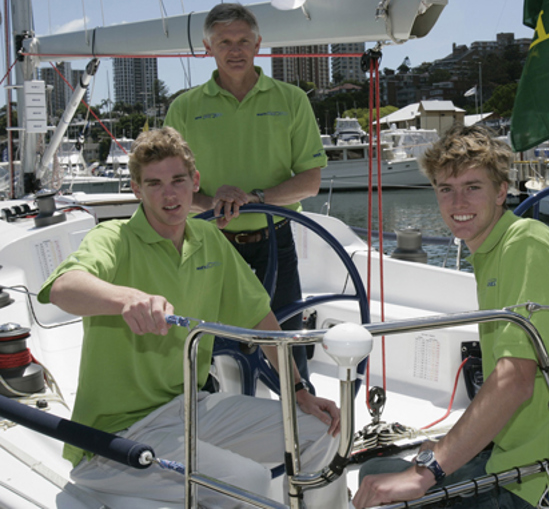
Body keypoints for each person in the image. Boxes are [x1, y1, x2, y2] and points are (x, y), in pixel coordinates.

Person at [38, 128, 346, 508]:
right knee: (247, 480)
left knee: (321, 430)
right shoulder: (112, 238)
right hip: (115, 437)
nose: (169, 194)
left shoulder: (210, 239)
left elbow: (259, 319)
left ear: (195, 182)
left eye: (178, 180)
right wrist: (126, 299)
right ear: (136, 189)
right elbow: (64, 287)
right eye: (154, 183)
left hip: (191, 408)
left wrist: (299, 391)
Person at [353, 125, 549, 509]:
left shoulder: (525, 244)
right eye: (446, 188)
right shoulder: (492, 250)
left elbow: (514, 382)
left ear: (500, 192)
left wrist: (426, 470)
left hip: (548, 477)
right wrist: (443, 450)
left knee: (383, 490)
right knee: (373, 475)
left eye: (472, 186)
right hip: (517, 453)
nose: (457, 200)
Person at [164, 2, 327, 389]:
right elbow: (171, 184)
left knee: (288, 340)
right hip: (208, 242)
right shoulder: (185, 108)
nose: (234, 50)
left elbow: (310, 181)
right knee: (200, 342)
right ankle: (206, 423)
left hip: (275, 243)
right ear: (208, 47)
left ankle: (302, 422)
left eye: (242, 41)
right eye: (224, 42)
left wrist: (254, 198)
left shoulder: (291, 100)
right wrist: (213, 203)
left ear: (258, 44)